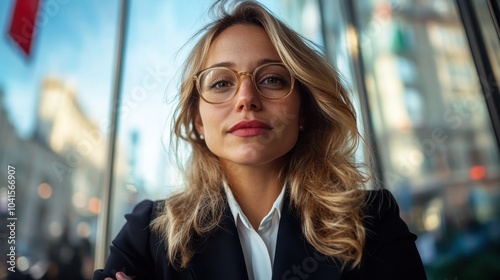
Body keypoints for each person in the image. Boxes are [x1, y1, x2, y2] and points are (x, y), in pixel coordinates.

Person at [93, 0, 426, 279]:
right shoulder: (147, 235)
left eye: (271, 79)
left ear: (304, 109)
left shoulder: (373, 220)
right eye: (221, 83)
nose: (246, 99)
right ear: (197, 118)